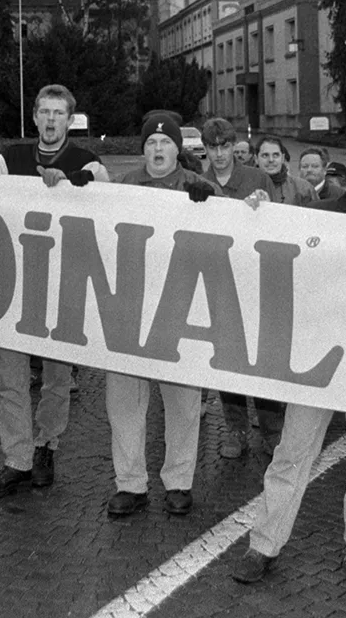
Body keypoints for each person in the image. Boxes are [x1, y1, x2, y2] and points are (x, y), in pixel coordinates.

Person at [232, 137, 346, 585]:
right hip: (319, 358)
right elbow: (272, 235)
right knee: (292, 452)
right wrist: (259, 209)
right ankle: (264, 543)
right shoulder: (320, 216)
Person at [0, 85, 106, 500]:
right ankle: (17, 459)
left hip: (63, 282)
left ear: (71, 120)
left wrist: (74, 185)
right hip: (14, 282)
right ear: (33, 117)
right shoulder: (8, 159)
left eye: (59, 114)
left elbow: (109, 212)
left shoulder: (89, 163)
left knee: (56, 376)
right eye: (44, 112)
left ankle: (46, 446)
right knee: (10, 378)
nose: (51, 120)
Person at [104, 112, 215, 518]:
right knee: (125, 399)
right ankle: (130, 483)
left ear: (176, 149)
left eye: (165, 142)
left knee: (183, 398)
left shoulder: (197, 186)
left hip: (180, 306)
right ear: (143, 148)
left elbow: (235, 230)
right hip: (131, 305)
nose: (157, 149)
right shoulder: (127, 185)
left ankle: (179, 480)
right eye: (151, 142)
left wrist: (214, 206)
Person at [196, 118, 284, 460]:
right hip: (218, 278)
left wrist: (264, 206)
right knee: (228, 358)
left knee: (260, 358)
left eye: (224, 146)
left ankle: (272, 429)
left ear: (234, 146)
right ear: (204, 148)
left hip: (254, 277)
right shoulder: (199, 183)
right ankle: (236, 428)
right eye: (212, 147)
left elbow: (277, 223)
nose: (219, 154)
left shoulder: (258, 178)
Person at [254, 136, 316, 206]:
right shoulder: (243, 185)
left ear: (283, 158)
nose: (271, 160)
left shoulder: (303, 189)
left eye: (275, 155)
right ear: (256, 159)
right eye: (265, 155)